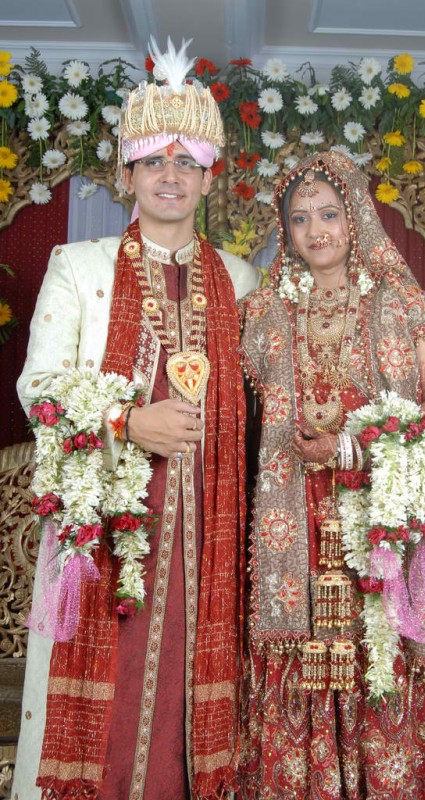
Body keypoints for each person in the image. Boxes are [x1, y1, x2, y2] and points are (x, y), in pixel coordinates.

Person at [13, 38, 260, 800]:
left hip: (208, 526)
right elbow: (40, 388)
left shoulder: (242, 279)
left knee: (192, 684)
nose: (170, 176)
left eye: (187, 163)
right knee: (107, 685)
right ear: (126, 174)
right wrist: (128, 421)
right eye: (154, 161)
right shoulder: (78, 264)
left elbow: (262, 402)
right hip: (108, 512)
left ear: (208, 178)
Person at [239, 149, 425, 799]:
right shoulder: (267, 312)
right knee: (298, 668)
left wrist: (348, 449)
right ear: (286, 229)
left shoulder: (398, 299)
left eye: (329, 214)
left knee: (377, 663)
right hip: (293, 524)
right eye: (300, 217)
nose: (316, 231)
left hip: (377, 516)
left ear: (355, 216)